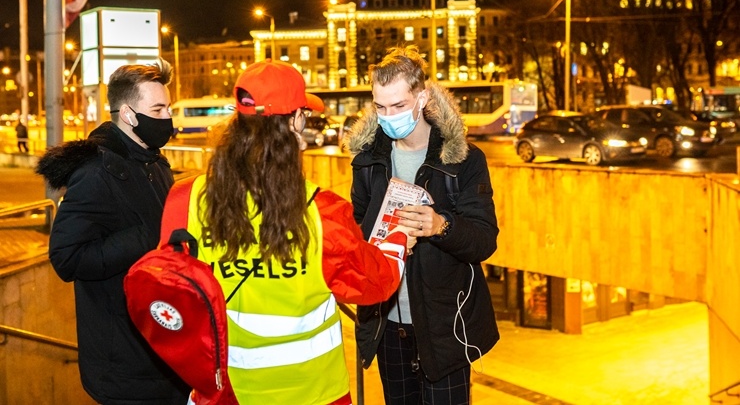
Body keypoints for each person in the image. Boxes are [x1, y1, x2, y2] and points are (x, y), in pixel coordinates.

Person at [180, 59, 408, 404]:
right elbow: (377, 282)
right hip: (311, 392)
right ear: (296, 123)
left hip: (224, 390)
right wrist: (400, 236)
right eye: (303, 113)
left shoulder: (187, 198)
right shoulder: (321, 212)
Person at [345, 45, 500, 405]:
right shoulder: (368, 161)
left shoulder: (463, 158)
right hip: (388, 325)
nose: (389, 116)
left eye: (398, 106)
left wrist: (441, 226)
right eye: (380, 107)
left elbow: (484, 239)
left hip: (444, 328)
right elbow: (357, 227)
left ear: (422, 98)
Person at [36, 58, 190, 404]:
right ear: (128, 115)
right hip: (124, 361)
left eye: (168, 107)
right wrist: (144, 236)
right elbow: (66, 257)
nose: (167, 117)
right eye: (158, 108)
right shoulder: (96, 172)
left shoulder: (154, 162)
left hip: (161, 343)